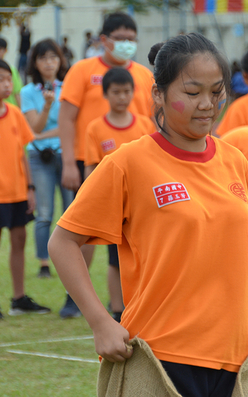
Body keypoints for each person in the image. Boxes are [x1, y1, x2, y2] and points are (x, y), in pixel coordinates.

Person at [49, 32, 248, 396]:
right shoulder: (127, 163)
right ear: (158, 95)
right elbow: (63, 242)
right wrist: (101, 322)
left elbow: (238, 253)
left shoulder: (236, 162)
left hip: (237, 357)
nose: (207, 104)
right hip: (163, 357)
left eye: (217, 91)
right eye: (192, 92)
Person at [57, 12, 155, 318]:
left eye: (131, 40)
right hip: (92, 165)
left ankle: (133, 299)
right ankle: (75, 296)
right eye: (120, 39)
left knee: (131, 240)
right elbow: (66, 118)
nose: (127, 45)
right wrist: (69, 163)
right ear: (104, 40)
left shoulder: (144, 75)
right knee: (82, 234)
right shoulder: (82, 71)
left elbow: (154, 121)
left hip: (137, 172)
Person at [0, 58, 51, 320]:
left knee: (19, 240)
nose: (7, 84)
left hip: (18, 191)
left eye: (9, 79)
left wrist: (30, 189)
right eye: (0, 79)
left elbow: (23, 153)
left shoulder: (15, 113)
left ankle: (19, 299)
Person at [84, 68, 155, 322]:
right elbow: (91, 169)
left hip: (144, 204)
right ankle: (118, 310)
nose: (122, 97)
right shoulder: (95, 128)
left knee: (145, 257)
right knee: (115, 260)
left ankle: (142, 305)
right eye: (116, 92)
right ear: (105, 94)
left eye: (127, 91)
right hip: (114, 207)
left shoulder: (146, 124)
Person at [21, 39, 73, 281]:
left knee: (71, 210)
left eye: (53, 57)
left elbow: (70, 126)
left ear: (60, 60)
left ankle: (71, 259)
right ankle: (44, 263)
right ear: (35, 63)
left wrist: (44, 133)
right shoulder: (27, 92)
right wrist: (47, 105)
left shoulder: (70, 86)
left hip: (66, 154)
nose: (49, 63)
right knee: (44, 213)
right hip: (39, 157)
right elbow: (34, 128)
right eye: (43, 58)